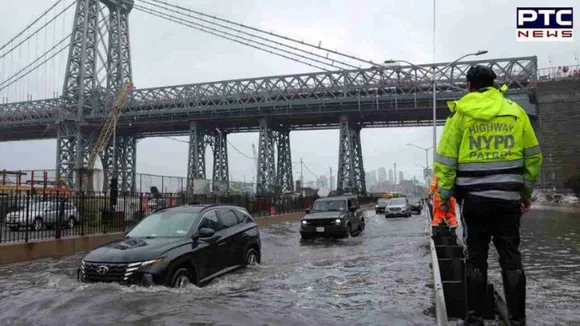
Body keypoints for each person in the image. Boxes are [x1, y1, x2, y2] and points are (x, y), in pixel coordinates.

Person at [433, 65, 542, 326]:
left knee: (475, 259)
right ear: (494, 85)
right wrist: (525, 192)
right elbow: (533, 157)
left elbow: (446, 163)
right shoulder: (516, 112)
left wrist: (446, 197)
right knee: (511, 259)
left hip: (474, 202)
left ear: (468, 86)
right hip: (508, 202)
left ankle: (474, 319)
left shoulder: (460, 115)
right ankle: (517, 321)